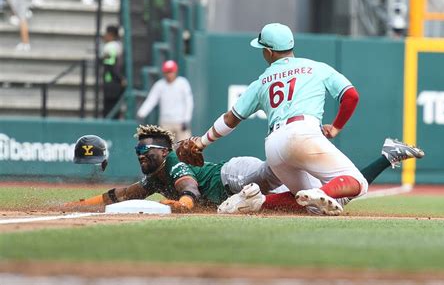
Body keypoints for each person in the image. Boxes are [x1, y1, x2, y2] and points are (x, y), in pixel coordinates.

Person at [188, 23, 370, 216]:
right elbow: (351, 96)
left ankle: (258, 202)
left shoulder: (261, 81)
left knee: (312, 206)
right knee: (358, 182)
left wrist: (201, 142)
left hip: (274, 147)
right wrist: (335, 128)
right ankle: (320, 192)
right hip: (304, 133)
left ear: (269, 52)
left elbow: (230, 119)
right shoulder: (316, 68)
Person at [65, 124, 425, 215]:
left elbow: (189, 192)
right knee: (316, 204)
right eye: (137, 150)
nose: (141, 154)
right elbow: (119, 196)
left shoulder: (172, 167)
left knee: (284, 175)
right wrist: (77, 204)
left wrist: (177, 207)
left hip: (236, 176)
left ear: (163, 151)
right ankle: (388, 157)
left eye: (147, 149)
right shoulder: (151, 179)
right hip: (235, 185)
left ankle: (310, 152)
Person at [137, 60, 194, 142]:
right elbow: (151, 100)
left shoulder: (183, 83)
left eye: (171, 71)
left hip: (180, 122)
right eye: (167, 72)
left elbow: (189, 102)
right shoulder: (160, 85)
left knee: (185, 148)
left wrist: (186, 119)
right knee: (166, 150)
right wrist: (142, 113)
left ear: (175, 71)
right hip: (165, 123)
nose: (169, 74)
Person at [101, 24, 124, 119]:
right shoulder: (116, 46)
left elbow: (109, 65)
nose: (104, 36)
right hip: (113, 82)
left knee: (110, 108)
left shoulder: (110, 47)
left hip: (112, 82)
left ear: (111, 34)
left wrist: (120, 79)